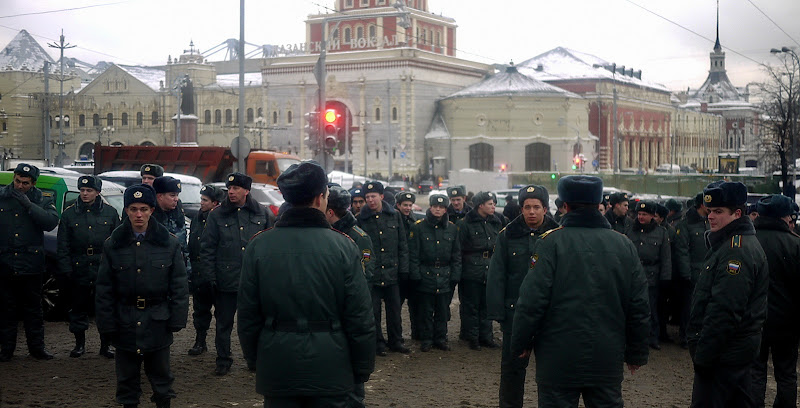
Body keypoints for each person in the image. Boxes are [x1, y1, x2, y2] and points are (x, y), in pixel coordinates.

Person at [238, 161, 375, 407]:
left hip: (278, 362)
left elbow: (248, 315)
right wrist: (362, 367)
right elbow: (360, 316)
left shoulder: (258, 245)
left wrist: (256, 360)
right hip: (332, 364)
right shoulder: (344, 246)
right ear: (320, 198)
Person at [510, 175, 650, 407]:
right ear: (598, 205)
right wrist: (637, 352)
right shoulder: (623, 244)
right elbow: (638, 304)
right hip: (607, 354)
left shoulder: (550, 243)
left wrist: (521, 343)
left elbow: (532, 301)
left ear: (564, 206)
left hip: (558, 356)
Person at [95, 184, 189, 408]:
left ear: (152, 210)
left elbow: (179, 286)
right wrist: (106, 325)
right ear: (126, 210)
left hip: (157, 321)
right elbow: (104, 289)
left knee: (162, 380)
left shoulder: (169, 244)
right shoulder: (113, 245)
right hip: (124, 322)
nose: (139, 214)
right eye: (134, 209)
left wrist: (176, 320)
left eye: (144, 209)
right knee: (127, 382)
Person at [688, 181, 768, 408]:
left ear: (737, 213)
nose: (711, 217)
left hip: (724, 356)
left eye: (718, 212)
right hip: (731, 354)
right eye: (710, 211)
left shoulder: (736, 251)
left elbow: (724, 311)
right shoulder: (729, 244)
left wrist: (704, 355)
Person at [487, 184, 559, 408]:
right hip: (515, 315)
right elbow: (497, 275)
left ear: (545, 209)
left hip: (549, 317)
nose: (531, 212)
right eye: (527, 207)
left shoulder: (558, 236)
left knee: (550, 373)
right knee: (512, 371)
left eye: (536, 207)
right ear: (521, 209)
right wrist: (498, 313)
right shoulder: (507, 236)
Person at [198, 172, 271, 375]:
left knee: (254, 323)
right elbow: (207, 248)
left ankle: (254, 359)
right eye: (229, 188)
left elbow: (270, 247)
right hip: (225, 280)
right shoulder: (217, 215)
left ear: (246, 190)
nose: (231, 192)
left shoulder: (262, 214)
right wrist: (210, 277)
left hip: (253, 282)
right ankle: (223, 359)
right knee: (223, 324)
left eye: (236, 188)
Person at [56, 175, 120, 359]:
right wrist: (66, 269)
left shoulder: (110, 213)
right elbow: (63, 245)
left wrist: (115, 268)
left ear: (97, 192)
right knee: (78, 308)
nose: (85, 194)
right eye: (82, 190)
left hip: (102, 268)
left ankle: (106, 345)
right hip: (79, 267)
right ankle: (79, 344)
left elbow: (116, 243)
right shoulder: (69, 214)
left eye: (89, 190)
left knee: (105, 308)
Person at [0, 163, 59, 362]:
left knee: (33, 310)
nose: (20, 186)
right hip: (6, 263)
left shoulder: (41, 199)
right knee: (6, 309)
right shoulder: (2, 196)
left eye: (25, 183)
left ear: (33, 183)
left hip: (31, 265)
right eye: (17, 181)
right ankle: (6, 349)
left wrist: (28, 205)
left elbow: (51, 221)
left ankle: (37, 348)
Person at [751, 194, 800, 408]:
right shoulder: (795, 244)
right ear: (784, 217)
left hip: (753, 320)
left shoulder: (747, 242)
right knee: (787, 374)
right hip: (787, 323)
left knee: (754, 373)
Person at [357, 181, 410, 356]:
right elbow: (362, 249)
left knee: (394, 311)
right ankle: (378, 343)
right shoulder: (361, 219)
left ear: (381, 196)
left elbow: (402, 244)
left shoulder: (394, 216)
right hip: (373, 274)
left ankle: (396, 341)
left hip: (392, 272)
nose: (370, 200)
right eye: (367, 197)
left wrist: (404, 269)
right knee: (374, 312)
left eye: (373, 196)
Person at [409, 193, 461, 352]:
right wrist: (416, 274)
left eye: (441, 207)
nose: (438, 210)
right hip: (426, 274)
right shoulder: (419, 227)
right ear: (430, 207)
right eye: (435, 207)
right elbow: (414, 254)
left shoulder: (452, 228)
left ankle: (440, 338)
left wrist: (455, 275)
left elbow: (456, 254)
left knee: (442, 310)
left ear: (446, 209)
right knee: (425, 310)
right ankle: (426, 339)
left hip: (445, 275)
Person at [457, 191, 503, 350]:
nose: (493, 206)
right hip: (471, 270)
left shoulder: (496, 221)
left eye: (494, 204)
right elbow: (459, 249)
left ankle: (486, 337)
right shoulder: (465, 224)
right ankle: (473, 338)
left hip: (490, 268)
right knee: (471, 306)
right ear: (480, 205)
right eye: (490, 204)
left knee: (487, 305)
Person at [626, 200, 671, 350]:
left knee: (651, 309)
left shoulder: (661, 233)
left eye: (644, 214)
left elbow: (666, 257)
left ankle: (652, 337)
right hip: (633, 274)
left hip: (651, 276)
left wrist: (665, 278)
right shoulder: (631, 230)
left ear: (652, 215)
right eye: (639, 214)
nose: (641, 217)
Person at [186, 184, 222, 356]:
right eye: (201, 199)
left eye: (205, 200)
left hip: (216, 274)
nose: (201, 203)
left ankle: (222, 346)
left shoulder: (222, 220)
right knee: (200, 310)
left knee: (222, 312)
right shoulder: (197, 218)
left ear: (215, 203)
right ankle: (200, 341)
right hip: (199, 273)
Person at [674, 193, 710, 349]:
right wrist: (686, 274)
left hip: (707, 272)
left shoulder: (709, 222)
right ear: (701, 205)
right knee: (689, 308)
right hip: (692, 273)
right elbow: (682, 251)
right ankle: (686, 336)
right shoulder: (686, 224)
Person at [395, 191, 421, 341]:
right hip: (398, 270)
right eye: (405, 205)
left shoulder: (414, 220)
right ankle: (397, 336)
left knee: (415, 305)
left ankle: (416, 333)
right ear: (398, 205)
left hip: (411, 269)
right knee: (396, 306)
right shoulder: (393, 219)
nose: (408, 208)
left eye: (410, 205)